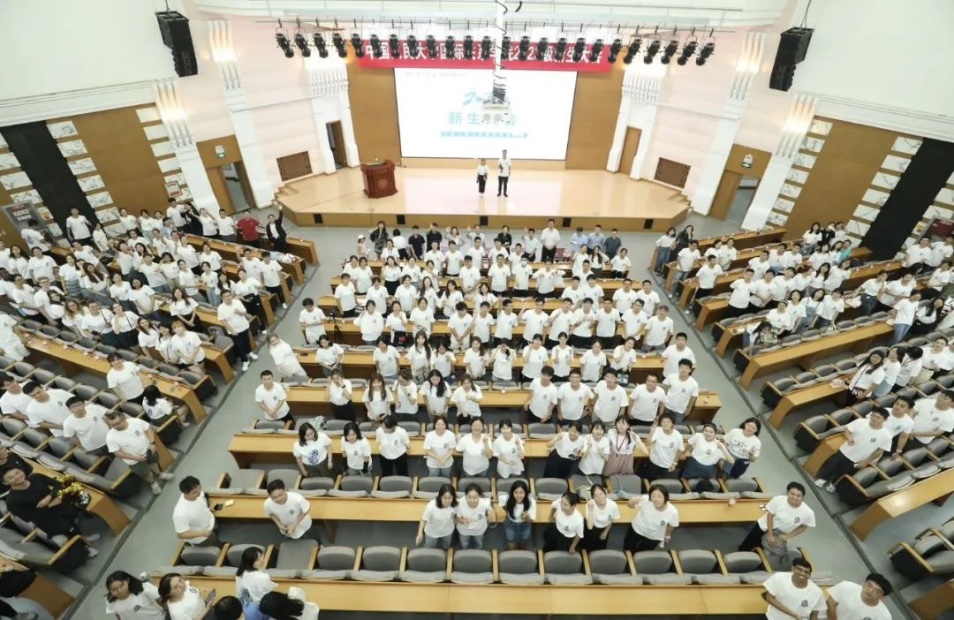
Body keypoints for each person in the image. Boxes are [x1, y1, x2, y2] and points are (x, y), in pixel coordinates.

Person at [814, 407, 892, 493]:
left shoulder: (887, 436)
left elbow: (880, 452)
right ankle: (823, 479)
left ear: (884, 420)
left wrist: (866, 462)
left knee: (845, 471)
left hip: (859, 458)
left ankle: (833, 484)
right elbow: (847, 430)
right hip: (846, 450)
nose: (874, 418)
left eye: (878, 417)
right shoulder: (861, 421)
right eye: (873, 415)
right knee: (832, 464)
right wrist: (849, 438)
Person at [104, 411, 172, 495]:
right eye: (112, 425)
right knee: (147, 474)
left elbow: (148, 429)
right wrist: (135, 458)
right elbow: (117, 453)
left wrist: (152, 443)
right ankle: (153, 483)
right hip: (134, 461)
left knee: (154, 463)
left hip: (149, 450)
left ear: (123, 418)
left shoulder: (135, 421)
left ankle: (159, 474)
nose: (116, 426)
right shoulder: (110, 437)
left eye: (118, 423)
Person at [738, 481, 815, 552]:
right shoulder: (778, 500)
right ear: (787, 493)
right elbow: (770, 516)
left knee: (763, 551)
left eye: (798, 496)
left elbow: (803, 527)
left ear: (803, 497)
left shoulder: (808, 512)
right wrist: (770, 534)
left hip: (779, 536)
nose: (795, 497)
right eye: (792, 494)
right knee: (748, 545)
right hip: (764, 527)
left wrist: (789, 536)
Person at [624, 484, 679, 552]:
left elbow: (671, 525)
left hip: (654, 536)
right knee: (628, 548)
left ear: (665, 497)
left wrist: (667, 535)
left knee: (643, 553)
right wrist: (632, 501)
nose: (656, 499)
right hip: (637, 528)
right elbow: (629, 505)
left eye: (659, 497)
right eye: (653, 496)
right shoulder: (645, 499)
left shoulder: (673, 511)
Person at [217, 291, 258, 371]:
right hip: (233, 330)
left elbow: (244, 312)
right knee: (240, 345)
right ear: (222, 298)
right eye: (225, 296)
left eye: (229, 295)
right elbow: (223, 321)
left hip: (243, 326)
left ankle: (249, 352)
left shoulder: (237, 302)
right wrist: (232, 330)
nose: (228, 297)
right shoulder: (220, 308)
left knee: (247, 341)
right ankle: (245, 360)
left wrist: (239, 312)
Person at [825, 573, 893, 620]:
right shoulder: (846, 586)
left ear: (882, 597)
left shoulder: (884, 616)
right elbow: (830, 604)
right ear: (863, 583)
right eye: (869, 585)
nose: (870, 591)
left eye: (876, 591)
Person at [173, 476, 218, 546]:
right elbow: (181, 534)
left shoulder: (198, 492)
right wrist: (203, 533)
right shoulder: (180, 513)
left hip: (210, 522)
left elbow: (201, 504)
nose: (199, 492)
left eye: (199, 488)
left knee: (216, 534)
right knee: (216, 544)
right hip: (203, 537)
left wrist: (208, 509)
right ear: (186, 493)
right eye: (195, 492)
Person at [416, 483, 458, 549]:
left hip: (447, 531)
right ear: (440, 497)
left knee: (446, 547)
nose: (447, 501)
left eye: (450, 498)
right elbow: (423, 520)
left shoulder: (455, 504)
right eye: (444, 498)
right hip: (432, 532)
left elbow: (455, 515)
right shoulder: (431, 506)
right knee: (429, 548)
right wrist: (420, 533)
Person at [456, 483, 495, 549]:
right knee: (464, 543)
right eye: (469, 497)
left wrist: (489, 517)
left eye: (475, 497)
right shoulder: (460, 503)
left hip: (479, 528)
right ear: (465, 496)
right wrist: (462, 521)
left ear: (479, 496)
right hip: (464, 529)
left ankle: (478, 549)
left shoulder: (485, 503)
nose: (472, 500)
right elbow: (457, 518)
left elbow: (490, 512)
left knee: (479, 542)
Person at [581, 484, 619, 551]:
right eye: (596, 496)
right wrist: (590, 509)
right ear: (593, 497)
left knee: (601, 549)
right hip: (591, 529)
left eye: (601, 494)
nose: (599, 497)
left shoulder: (613, 505)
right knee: (587, 548)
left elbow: (611, 519)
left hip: (604, 528)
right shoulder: (590, 504)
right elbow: (590, 527)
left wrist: (605, 532)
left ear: (605, 492)